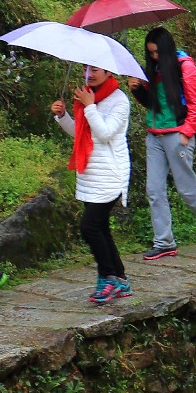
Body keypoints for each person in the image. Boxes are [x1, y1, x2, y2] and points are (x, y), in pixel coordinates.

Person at [133, 27, 196, 260]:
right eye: (150, 53)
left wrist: (186, 133)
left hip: (177, 135)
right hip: (154, 135)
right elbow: (154, 105)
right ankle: (164, 242)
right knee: (154, 191)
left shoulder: (184, 67)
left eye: (156, 52)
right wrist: (138, 90)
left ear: (166, 49)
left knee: (187, 188)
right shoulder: (153, 70)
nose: (153, 57)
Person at [50, 64, 133, 304]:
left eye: (96, 69)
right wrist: (63, 115)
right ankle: (119, 277)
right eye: (87, 68)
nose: (91, 73)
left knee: (89, 226)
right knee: (101, 228)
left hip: (110, 174)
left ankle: (107, 278)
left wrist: (89, 106)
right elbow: (80, 134)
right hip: (89, 174)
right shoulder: (86, 94)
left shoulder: (119, 100)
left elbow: (105, 132)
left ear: (109, 72)